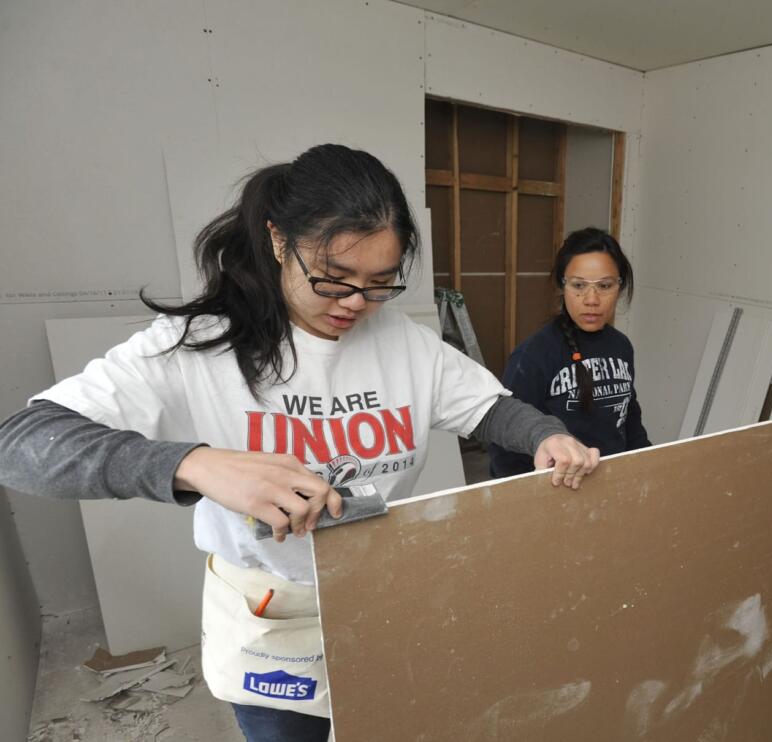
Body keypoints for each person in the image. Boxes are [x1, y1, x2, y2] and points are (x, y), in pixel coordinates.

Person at [0, 144, 599, 742]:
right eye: (333, 280)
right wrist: (193, 463)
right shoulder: (193, 347)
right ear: (279, 242)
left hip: (381, 595)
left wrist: (545, 434)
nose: (356, 304)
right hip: (271, 616)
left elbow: (490, 407)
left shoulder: (406, 343)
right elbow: (23, 444)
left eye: (380, 283)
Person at [489, 227, 650, 478]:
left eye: (605, 285)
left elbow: (629, 416)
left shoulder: (622, 346)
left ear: (619, 287)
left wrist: (647, 466)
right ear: (562, 286)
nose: (591, 299)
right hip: (559, 490)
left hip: (613, 481)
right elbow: (505, 445)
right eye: (579, 285)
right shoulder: (534, 354)